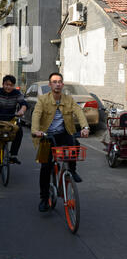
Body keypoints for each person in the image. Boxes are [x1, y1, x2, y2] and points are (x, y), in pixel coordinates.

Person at [31, 72, 90, 212]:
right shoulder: (43, 100)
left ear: (62, 84)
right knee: (45, 168)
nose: (57, 84)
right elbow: (36, 114)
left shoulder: (68, 99)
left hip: (63, 133)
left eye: (60, 82)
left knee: (74, 143)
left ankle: (72, 170)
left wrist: (85, 127)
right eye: (54, 82)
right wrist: (35, 130)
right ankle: (44, 199)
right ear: (50, 85)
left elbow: (79, 112)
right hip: (47, 135)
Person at [0, 74, 28, 164]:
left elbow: (24, 104)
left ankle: (13, 155)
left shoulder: (17, 93)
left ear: (13, 86)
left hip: (11, 119)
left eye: (11, 85)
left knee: (19, 131)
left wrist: (21, 111)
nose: (8, 87)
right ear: (3, 84)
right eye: (6, 84)